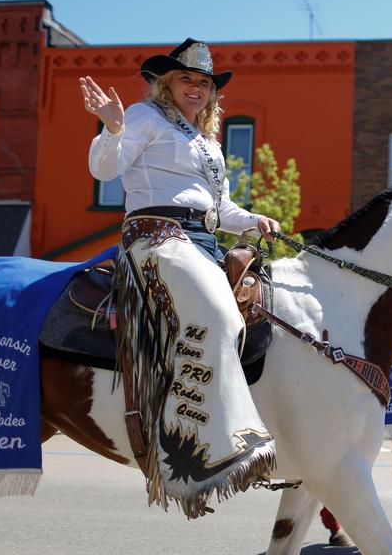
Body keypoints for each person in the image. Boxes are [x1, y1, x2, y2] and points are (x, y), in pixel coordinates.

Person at [81, 38, 279, 503]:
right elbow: (104, 169)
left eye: (204, 82)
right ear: (167, 84)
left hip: (204, 238)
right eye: (186, 79)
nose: (196, 88)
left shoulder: (207, 141)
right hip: (156, 236)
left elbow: (219, 207)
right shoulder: (144, 117)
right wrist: (111, 128)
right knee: (221, 314)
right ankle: (191, 438)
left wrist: (253, 219)